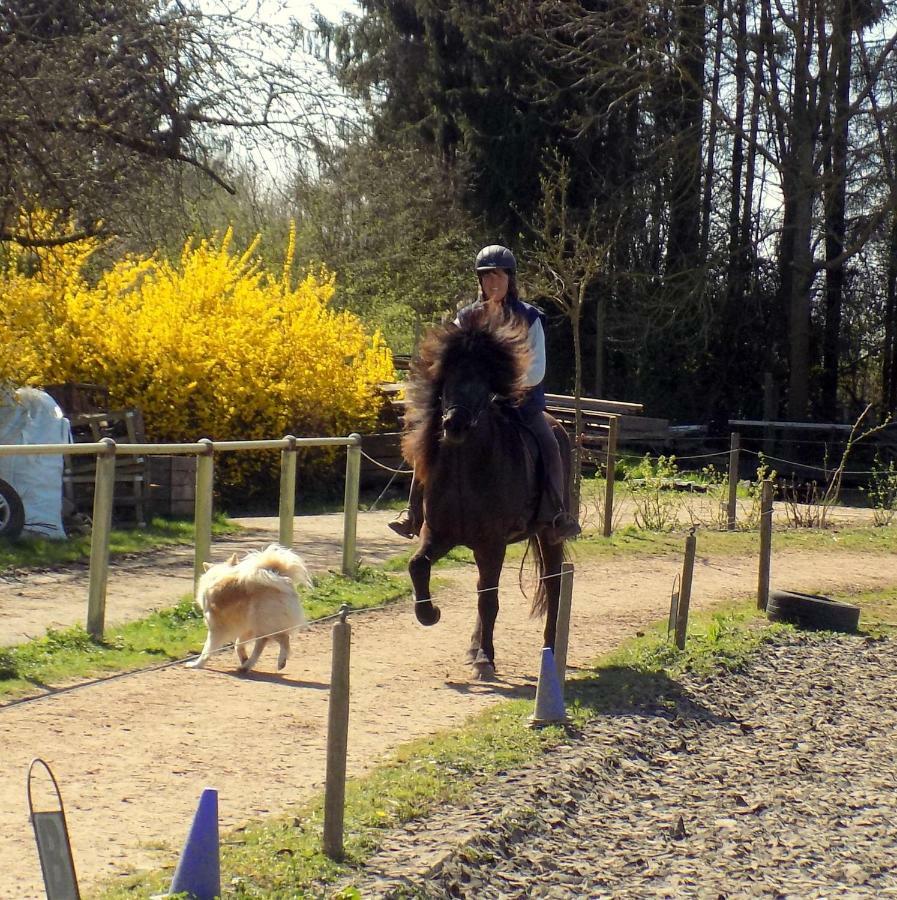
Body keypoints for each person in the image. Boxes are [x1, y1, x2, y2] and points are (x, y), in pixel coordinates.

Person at [389, 244, 581, 544]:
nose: (494, 283)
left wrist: (497, 385)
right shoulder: (464, 318)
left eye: (500, 276)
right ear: (479, 281)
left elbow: (537, 370)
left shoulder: (529, 317)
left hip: (520, 405)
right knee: (429, 436)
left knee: (550, 442)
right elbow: (445, 357)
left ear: (510, 279)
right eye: (487, 277)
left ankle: (557, 513)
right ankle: (413, 512)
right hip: (471, 404)